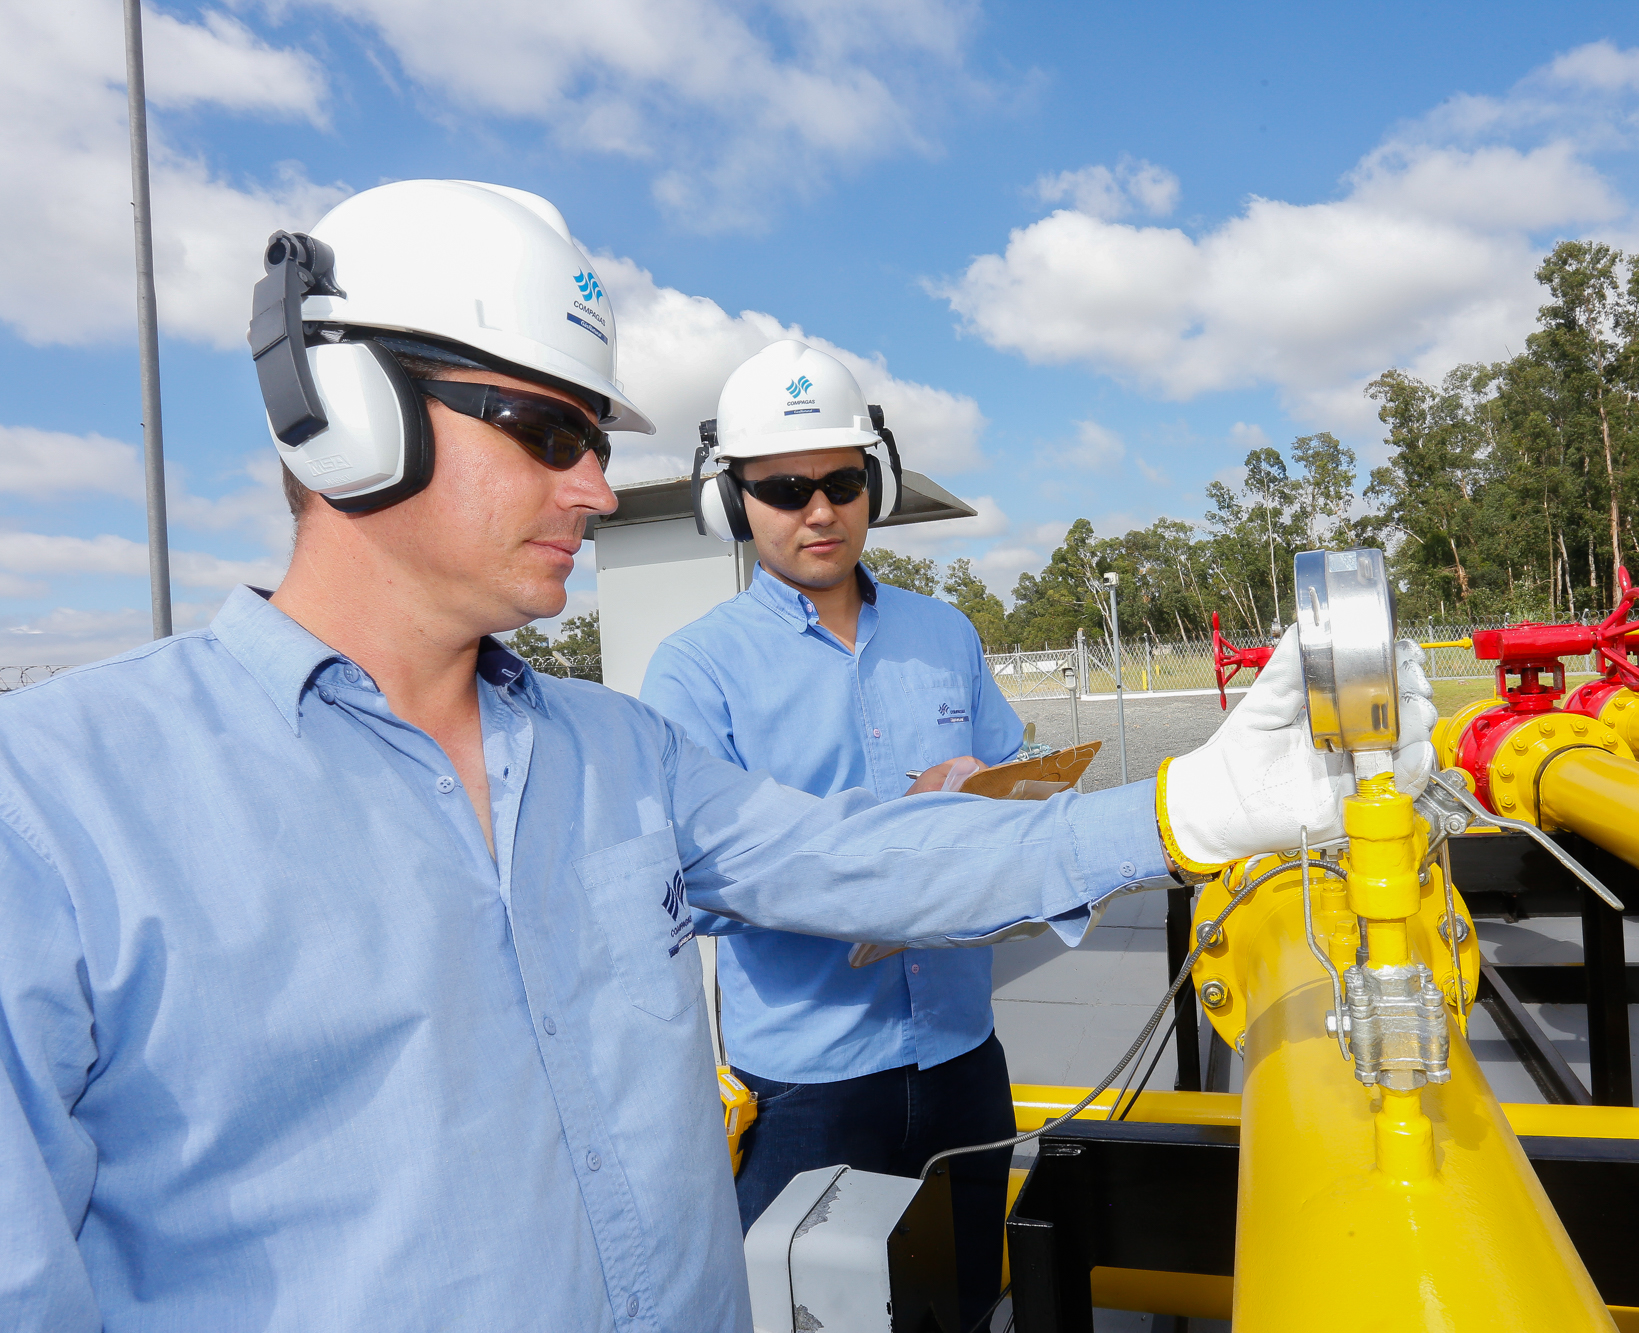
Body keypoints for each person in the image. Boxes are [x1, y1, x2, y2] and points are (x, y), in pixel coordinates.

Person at [0, 180, 1434, 1332]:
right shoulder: (60, 808)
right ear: (344, 411)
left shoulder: (619, 754)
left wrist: (1195, 803)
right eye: (547, 428)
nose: (589, 484)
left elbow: (865, 863)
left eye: (593, 437)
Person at [640, 340, 1022, 1321]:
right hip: (807, 1086)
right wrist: (886, 854)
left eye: (842, 482)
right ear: (733, 502)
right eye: (783, 489)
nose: (819, 510)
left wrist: (990, 800)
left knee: (963, 1305)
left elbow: (1018, 796)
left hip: (960, 1053)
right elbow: (696, 881)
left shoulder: (946, 634)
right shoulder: (695, 670)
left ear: (874, 485)